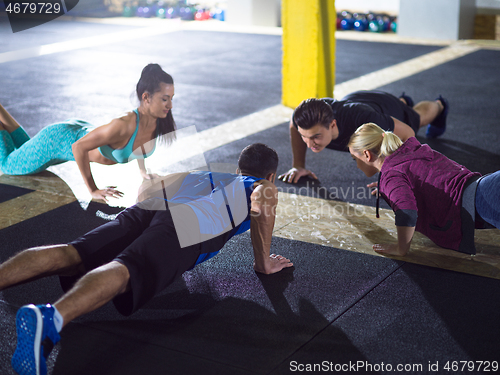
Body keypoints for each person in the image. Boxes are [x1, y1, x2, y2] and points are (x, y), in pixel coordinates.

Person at [0, 143, 293, 375]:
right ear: (269, 175)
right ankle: (49, 320)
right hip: (188, 226)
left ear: (238, 167)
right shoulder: (261, 185)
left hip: (146, 209)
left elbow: (151, 187)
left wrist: (149, 227)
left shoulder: (206, 176)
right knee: (127, 269)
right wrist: (263, 263)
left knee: (74, 253)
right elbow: (262, 200)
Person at [0, 63, 176, 202]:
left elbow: (140, 144)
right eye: (164, 99)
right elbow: (78, 147)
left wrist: (143, 171)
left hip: (73, 132)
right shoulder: (123, 124)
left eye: (171, 98)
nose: (170, 105)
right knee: (8, 164)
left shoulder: (155, 120)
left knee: (24, 149)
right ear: (146, 98)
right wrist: (93, 190)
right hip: (59, 140)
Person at [347, 122, 499, 256]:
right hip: (486, 187)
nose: (356, 164)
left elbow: (407, 212)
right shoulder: (411, 150)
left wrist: (401, 248)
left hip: (485, 199)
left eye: (355, 158)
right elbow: (419, 175)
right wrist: (392, 188)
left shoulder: (391, 176)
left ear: (367, 155)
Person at [279, 90, 448, 184]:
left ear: (332, 125)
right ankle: (403, 101)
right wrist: (298, 166)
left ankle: (439, 105)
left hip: (380, 108)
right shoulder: (302, 118)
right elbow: (294, 126)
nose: (310, 144)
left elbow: (407, 133)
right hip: (358, 101)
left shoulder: (366, 122)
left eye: (315, 137)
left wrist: (391, 180)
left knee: (417, 119)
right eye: (304, 137)